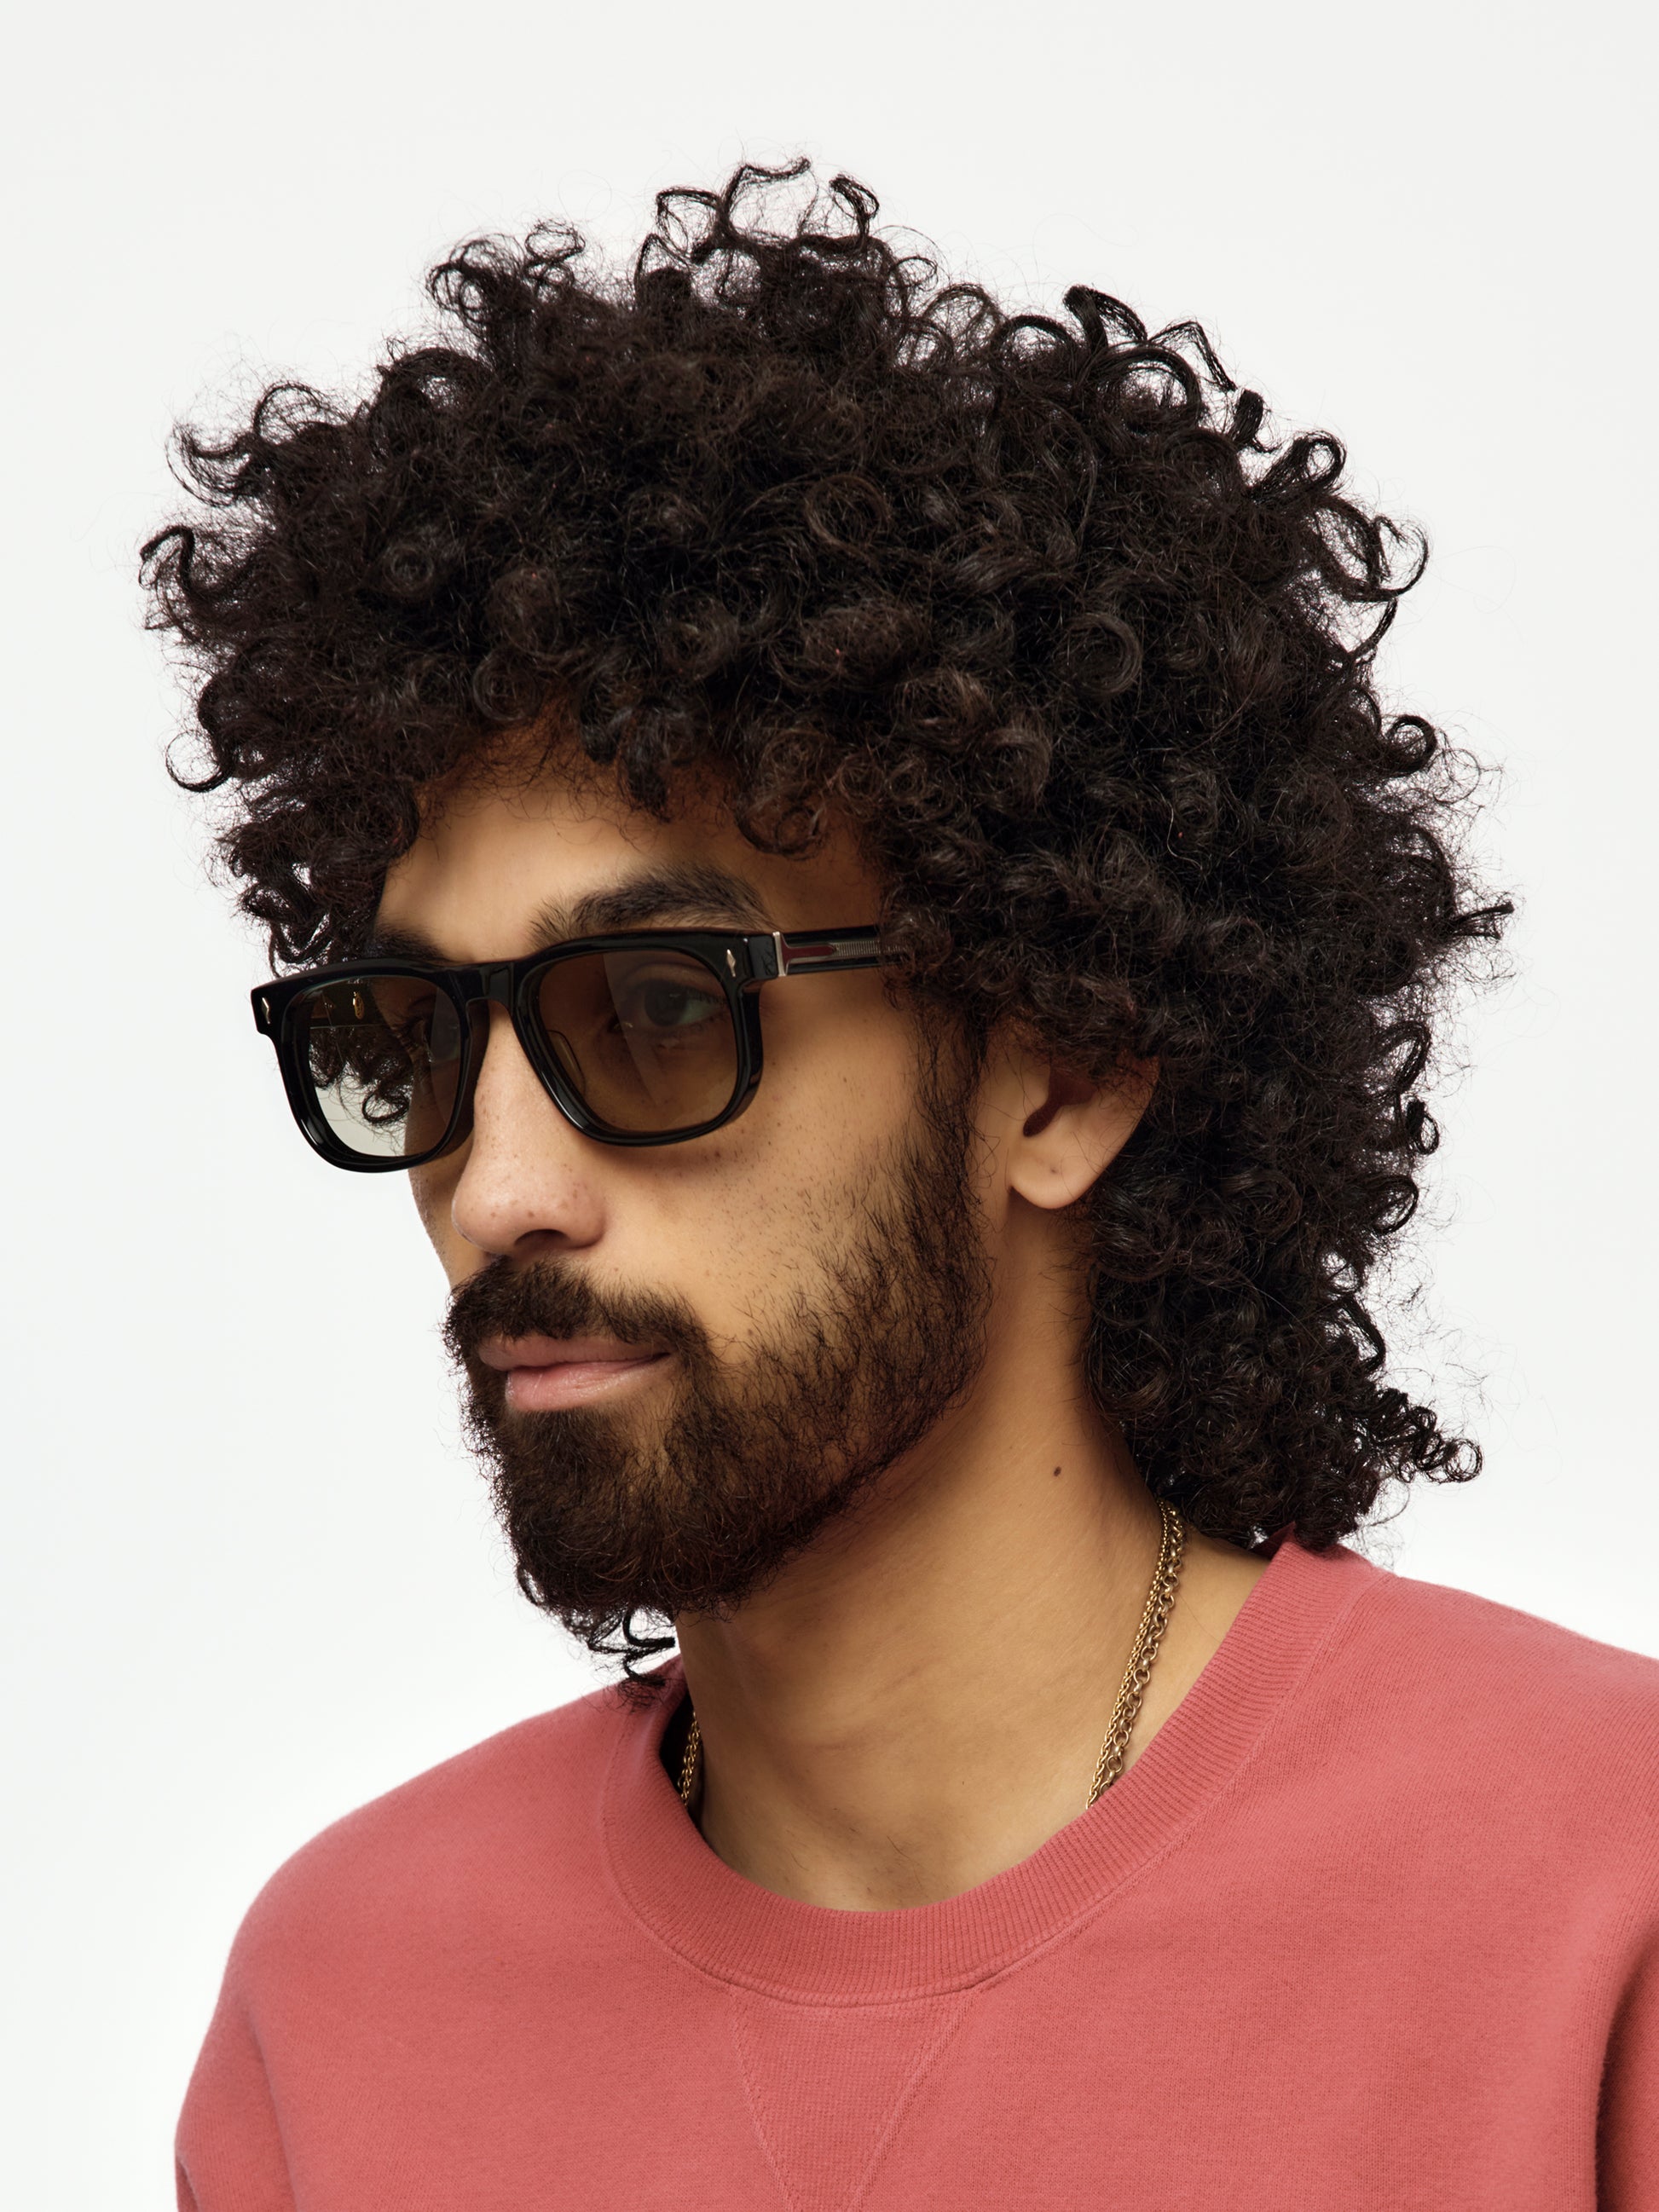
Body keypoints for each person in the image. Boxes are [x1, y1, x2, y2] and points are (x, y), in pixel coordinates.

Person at [144, 163, 1657, 2209]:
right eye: (415, 1036)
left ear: (1064, 1066)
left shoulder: (1596, 1897)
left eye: (657, 1010)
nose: (495, 1187)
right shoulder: (346, 2004)